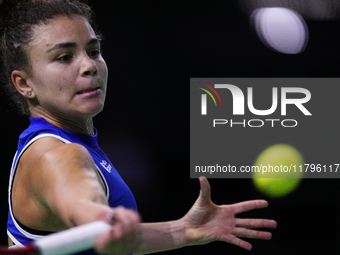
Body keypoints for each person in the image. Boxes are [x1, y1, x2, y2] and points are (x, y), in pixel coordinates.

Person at [0, 0, 277, 254]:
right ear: (24, 84)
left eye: (94, 51)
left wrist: (185, 230)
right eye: (64, 57)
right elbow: (80, 203)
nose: (89, 66)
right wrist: (102, 218)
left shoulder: (59, 144)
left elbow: (107, 239)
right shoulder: (56, 156)